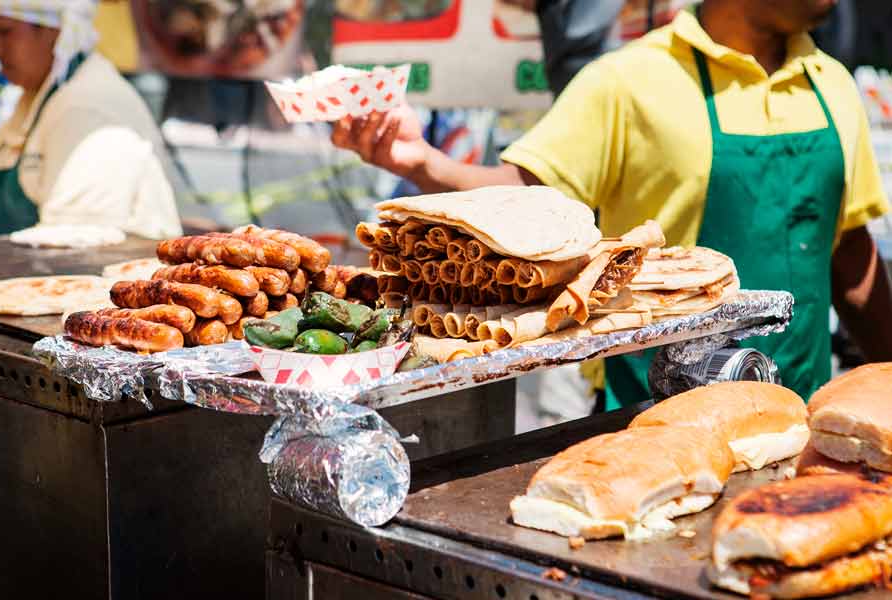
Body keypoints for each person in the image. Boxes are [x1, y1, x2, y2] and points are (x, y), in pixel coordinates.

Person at [332, 0, 892, 408]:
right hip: (652, 413)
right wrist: (421, 162)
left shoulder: (833, 84)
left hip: (804, 408)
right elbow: (523, 199)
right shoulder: (628, 80)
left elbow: (850, 253)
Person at [0, 0, 181, 238]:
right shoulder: (35, 94)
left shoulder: (87, 104)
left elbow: (73, 243)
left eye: (3, 31)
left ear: (55, 32)